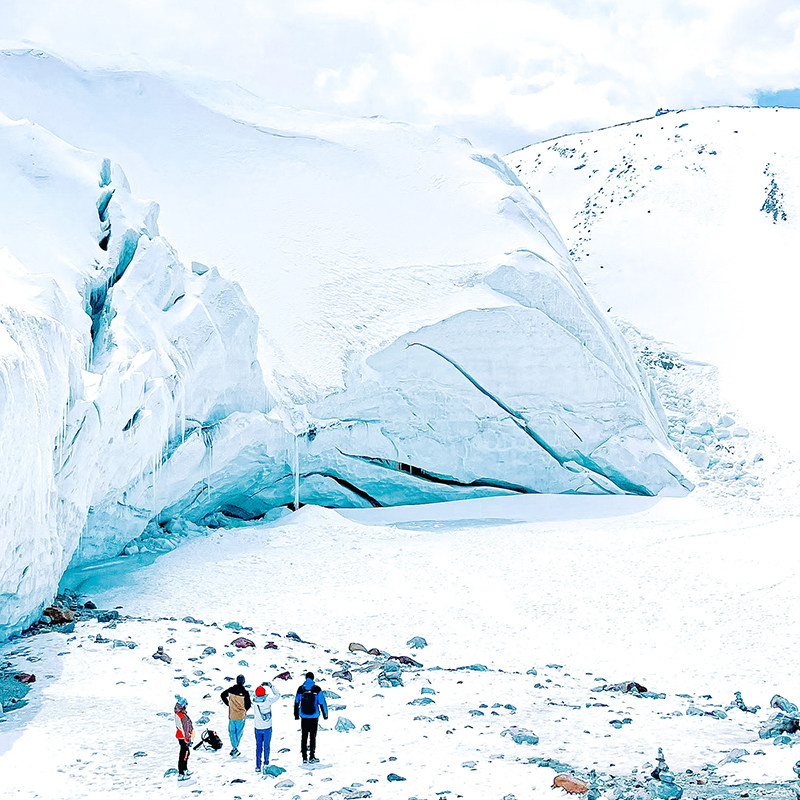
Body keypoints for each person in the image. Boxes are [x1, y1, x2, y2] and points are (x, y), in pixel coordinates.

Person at [294, 671, 328, 763]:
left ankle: (304, 757)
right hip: (314, 716)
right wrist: (325, 715)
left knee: (304, 736)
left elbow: (297, 702)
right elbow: (322, 702)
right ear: (313, 678)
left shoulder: (301, 689)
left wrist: (296, 715)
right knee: (312, 736)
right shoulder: (316, 689)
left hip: (304, 716)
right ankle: (312, 756)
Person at [221, 674, 251, 757]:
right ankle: (235, 747)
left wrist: (228, 704)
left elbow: (222, 695)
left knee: (231, 732)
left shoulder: (231, 690)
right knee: (239, 732)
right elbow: (248, 704)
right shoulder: (245, 692)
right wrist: (244, 710)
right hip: (240, 715)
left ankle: (234, 747)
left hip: (232, 714)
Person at [252, 681, 280, 772]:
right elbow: (278, 695)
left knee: (259, 746)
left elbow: (253, 694)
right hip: (267, 727)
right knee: (267, 745)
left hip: (258, 727)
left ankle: (258, 765)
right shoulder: (268, 701)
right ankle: (266, 763)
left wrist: (258, 686)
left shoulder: (254, 702)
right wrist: (271, 686)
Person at [174, 695, 194, 781]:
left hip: (182, 736)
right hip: (183, 737)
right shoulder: (180, 715)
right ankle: (182, 772)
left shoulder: (180, 713)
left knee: (185, 753)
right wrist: (187, 738)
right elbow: (183, 727)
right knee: (184, 754)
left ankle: (184, 769)